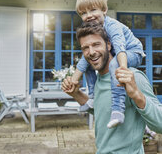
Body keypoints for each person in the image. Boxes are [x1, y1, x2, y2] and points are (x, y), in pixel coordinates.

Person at [62, 22, 162, 154]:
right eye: (85, 48)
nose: (91, 52)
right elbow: (103, 111)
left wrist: (137, 95)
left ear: (109, 45)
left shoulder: (132, 77)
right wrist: (76, 94)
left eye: (96, 44)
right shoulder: (99, 79)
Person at [71, 0, 144, 128]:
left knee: (113, 64)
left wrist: (122, 69)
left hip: (133, 52)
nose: (89, 15)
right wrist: (74, 79)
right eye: (84, 13)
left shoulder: (112, 26)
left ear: (104, 10)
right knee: (88, 60)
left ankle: (118, 109)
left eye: (93, 10)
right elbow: (84, 58)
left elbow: (120, 47)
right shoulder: (95, 29)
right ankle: (92, 97)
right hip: (119, 53)